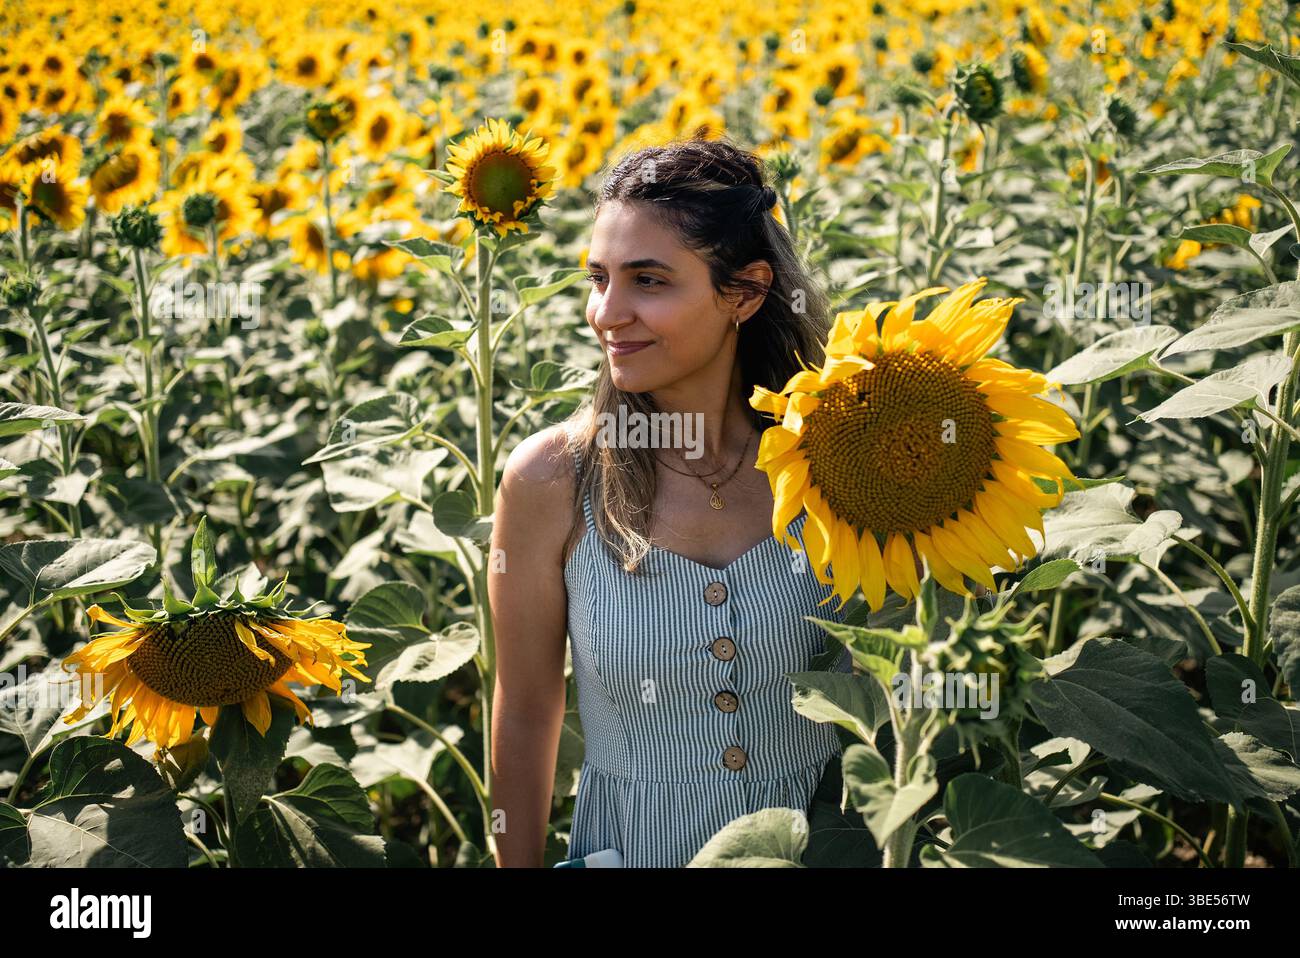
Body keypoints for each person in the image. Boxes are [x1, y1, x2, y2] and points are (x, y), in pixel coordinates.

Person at [489, 136, 853, 868]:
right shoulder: (551, 481)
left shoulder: (832, 460)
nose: (607, 313)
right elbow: (526, 718)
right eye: (599, 279)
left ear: (744, 293)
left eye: (648, 282)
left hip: (829, 849)